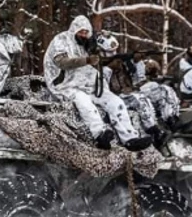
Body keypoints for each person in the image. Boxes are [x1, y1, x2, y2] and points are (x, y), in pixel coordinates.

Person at [43, 15, 152, 151]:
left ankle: (130, 138)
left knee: (115, 102)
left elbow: (101, 58)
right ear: (74, 30)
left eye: (86, 32)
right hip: (64, 85)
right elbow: (62, 63)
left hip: (87, 84)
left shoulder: (86, 44)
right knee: (85, 103)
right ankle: (99, 135)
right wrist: (86, 60)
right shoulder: (61, 40)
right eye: (80, 32)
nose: (83, 35)